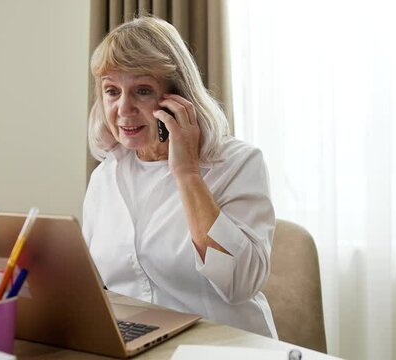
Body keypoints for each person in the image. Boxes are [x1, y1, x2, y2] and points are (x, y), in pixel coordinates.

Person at [82, 16, 277, 339]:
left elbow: (240, 283)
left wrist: (186, 173)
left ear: (177, 98)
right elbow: (95, 284)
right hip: (142, 346)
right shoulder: (106, 175)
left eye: (142, 91)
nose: (123, 108)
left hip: (226, 348)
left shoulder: (238, 164)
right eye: (112, 91)